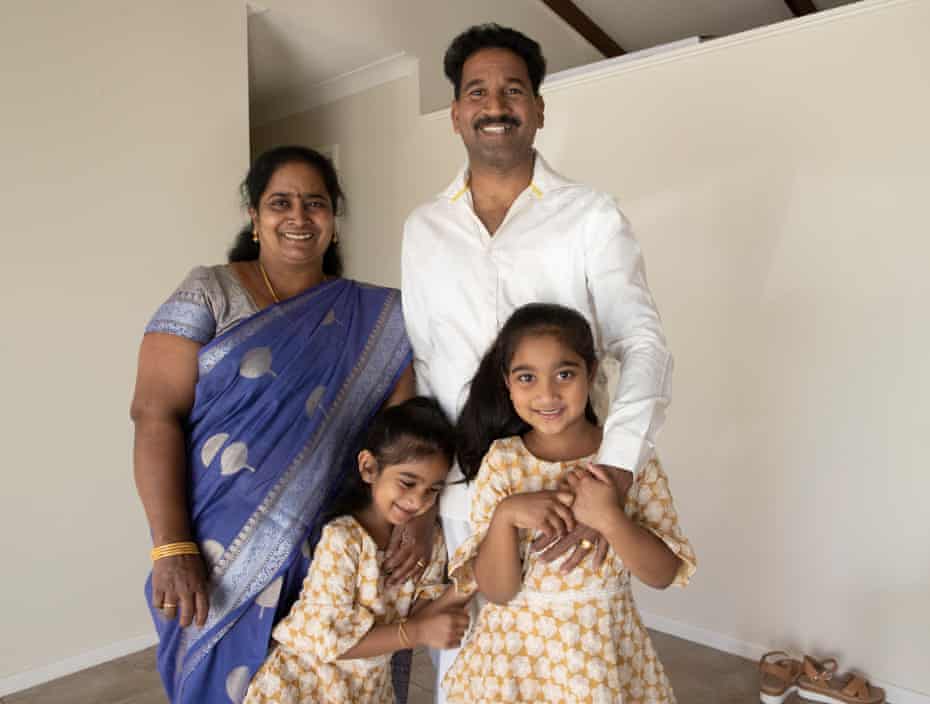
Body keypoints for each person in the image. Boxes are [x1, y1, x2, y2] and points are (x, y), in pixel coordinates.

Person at [400, 24, 674, 698]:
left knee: (572, 658)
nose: (496, 104)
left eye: (514, 90)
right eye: (478, 92)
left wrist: (610, 472)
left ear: (539, 109)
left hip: (568, 488)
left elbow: (642, 344)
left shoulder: (589, 216)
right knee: (466, 665)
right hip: (468, 491)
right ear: (457, 113)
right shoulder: (423, 228)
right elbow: (426, 363)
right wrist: (417, 496)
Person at [131, 146, 435, 703]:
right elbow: (154, 415)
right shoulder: (210, 293)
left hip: (334, 553)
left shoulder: (379, 318)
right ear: (255, 218)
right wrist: (171, 545)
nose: (298, 217)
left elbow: (404, 442)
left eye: (315, 203)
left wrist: (420, 517)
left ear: (333, 221)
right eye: (281, 203)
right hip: (216, 553)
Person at [443, 304, 696, 703]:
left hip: (600, 661)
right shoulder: (503, 463)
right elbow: (498, 591)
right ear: (507, 383)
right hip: (516, 665)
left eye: (564, 374)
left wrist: (611, 519)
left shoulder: (628, 463)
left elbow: (663, 574)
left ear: (591, 373)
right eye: (527, 377)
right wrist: (507, 517)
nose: (547, 393)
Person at [243, 397, 470, 704]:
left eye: (432, 490)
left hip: (366, 691)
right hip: (301, 686)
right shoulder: (344, 539)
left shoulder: (430, 543)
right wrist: (415, 633)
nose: (417, 501)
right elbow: (331, 639)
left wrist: (470, 583)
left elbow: (421, 616)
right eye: (407, 482)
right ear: (369, 467)